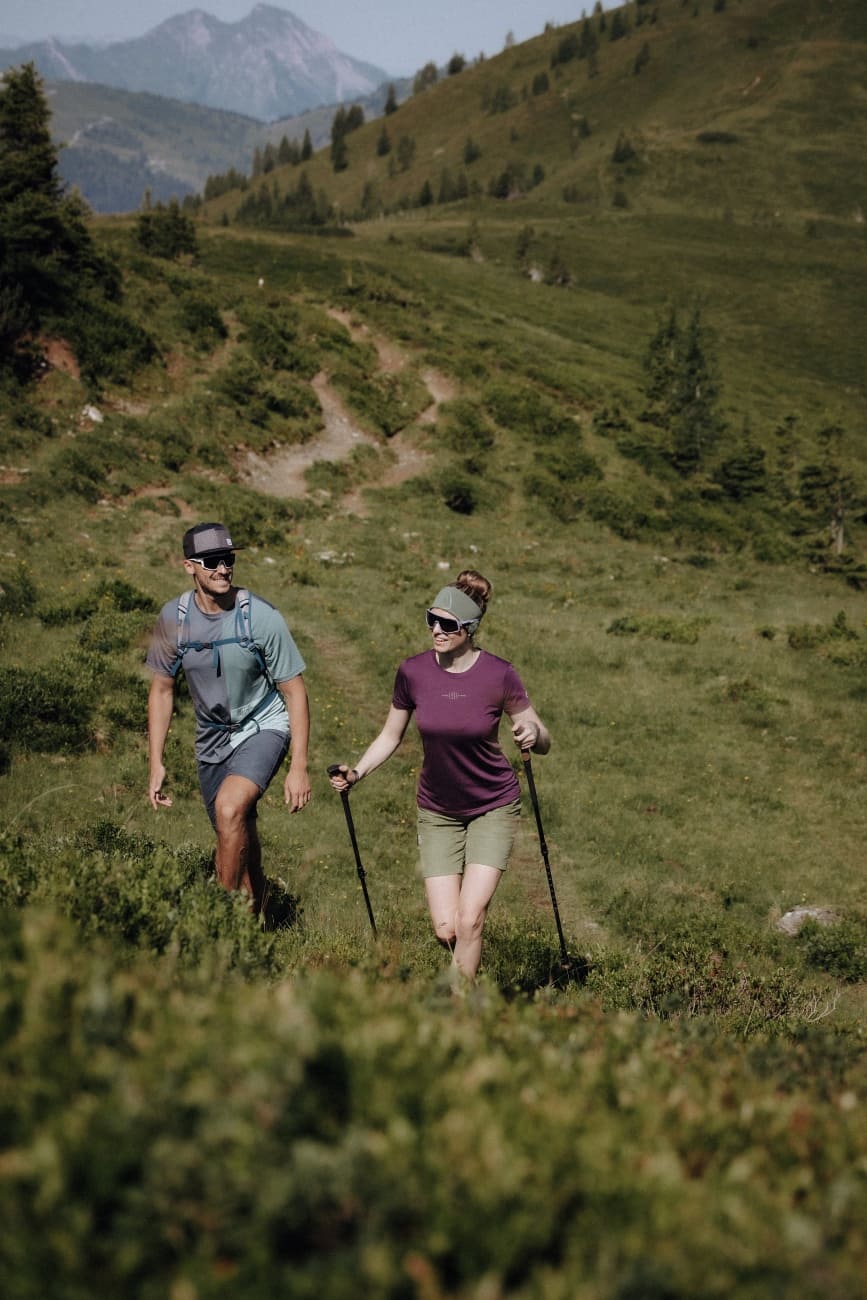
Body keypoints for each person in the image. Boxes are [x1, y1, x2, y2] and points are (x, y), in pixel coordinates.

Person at [329, 569, 550, 979]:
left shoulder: (499, 674)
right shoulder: (413, 672)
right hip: (437, 811)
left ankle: (458, 1007)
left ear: (470, 628)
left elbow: (543, 737)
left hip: (493, 806)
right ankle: (470, 973)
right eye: (431, 620)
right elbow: (390, 735)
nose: (436, 630)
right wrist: (356, 773)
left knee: (470, 920)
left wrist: (532, 734)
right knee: (447, 929)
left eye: (447, 625)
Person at [147, 521, 311, 915]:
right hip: (212, 738)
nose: (223, 569)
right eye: (212, 561)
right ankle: (258, 917)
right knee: (235, 836)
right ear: (189, 566)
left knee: (229, 809)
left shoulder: (261, 617)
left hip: (262, 725)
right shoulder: (174, 619)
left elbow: (294, 691)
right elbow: (162, 690)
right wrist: (156, 761)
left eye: (228, 559)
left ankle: (219, 919)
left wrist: (299, 766)